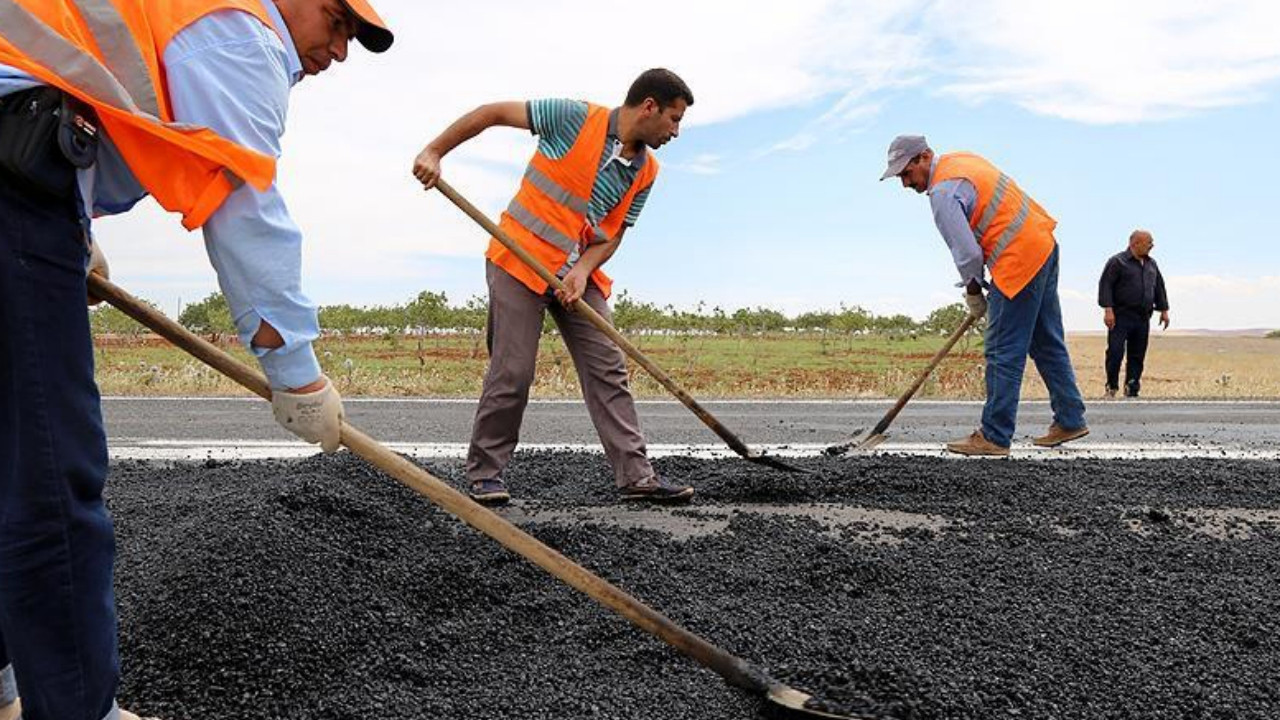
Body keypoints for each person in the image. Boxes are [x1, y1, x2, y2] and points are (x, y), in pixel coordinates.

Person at [0, 1, 392, 718]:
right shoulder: (243, 34)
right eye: (337, 21)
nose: (339, 49)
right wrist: (296, 372)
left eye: (352, 39)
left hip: (23, 169)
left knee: (10, 460)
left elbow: (62, 82)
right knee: (51, 473)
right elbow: (245, 207)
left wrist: (71, 223)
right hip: (14, 184)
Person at [412, 69, 696, 505]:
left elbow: (614, 233)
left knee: (608, 367)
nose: (676, 132)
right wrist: (434, 151)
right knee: (513, 369)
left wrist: (581, 270)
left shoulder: (646, 171)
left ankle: (637, 478)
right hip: (519, 259)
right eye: (674, 119)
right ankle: (485, 474)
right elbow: (490, 113)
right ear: (649, 107)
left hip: (577, 275)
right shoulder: (571, 118)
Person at [881, 135, 1088, 456]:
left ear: (924, 156)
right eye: (900, 178)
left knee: (1002, 349)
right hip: (1043, 245)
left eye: (906, 173)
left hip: (1018, 259)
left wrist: (973, 291)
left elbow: (967, 253)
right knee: (1047, 342)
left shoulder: (943, 193)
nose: (905, 184)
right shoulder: (962, 160)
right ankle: (1071, 418)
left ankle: (994, 435)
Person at [1098, 229, 1170, 398]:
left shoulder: (1151, 264)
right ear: (1135, 243)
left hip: (1143, 317)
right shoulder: (1117, 262)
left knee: (1137, 354)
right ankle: (1111, 386)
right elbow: (1106, 285)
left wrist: (1164, 310)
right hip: (1120, 316)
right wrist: (1108, 310)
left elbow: (1159, 287)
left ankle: (1132, 387)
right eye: (1149, 242)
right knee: (1115, 352)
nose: (1152, 245)